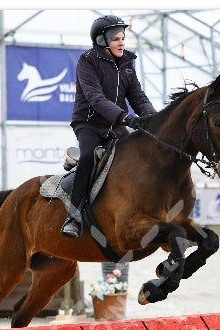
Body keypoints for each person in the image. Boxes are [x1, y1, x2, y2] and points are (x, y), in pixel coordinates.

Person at [61, 15, 157, 239]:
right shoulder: (87, 62)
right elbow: (96, 98)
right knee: (87, 157)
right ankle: (73, 217)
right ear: (102, 41)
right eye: (116, 38)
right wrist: (125, 117)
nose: (122, 42)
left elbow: (138, 96)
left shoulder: (127, 64)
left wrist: (152, 117)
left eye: (123, 38)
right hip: (89, 123)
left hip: (115, 125)